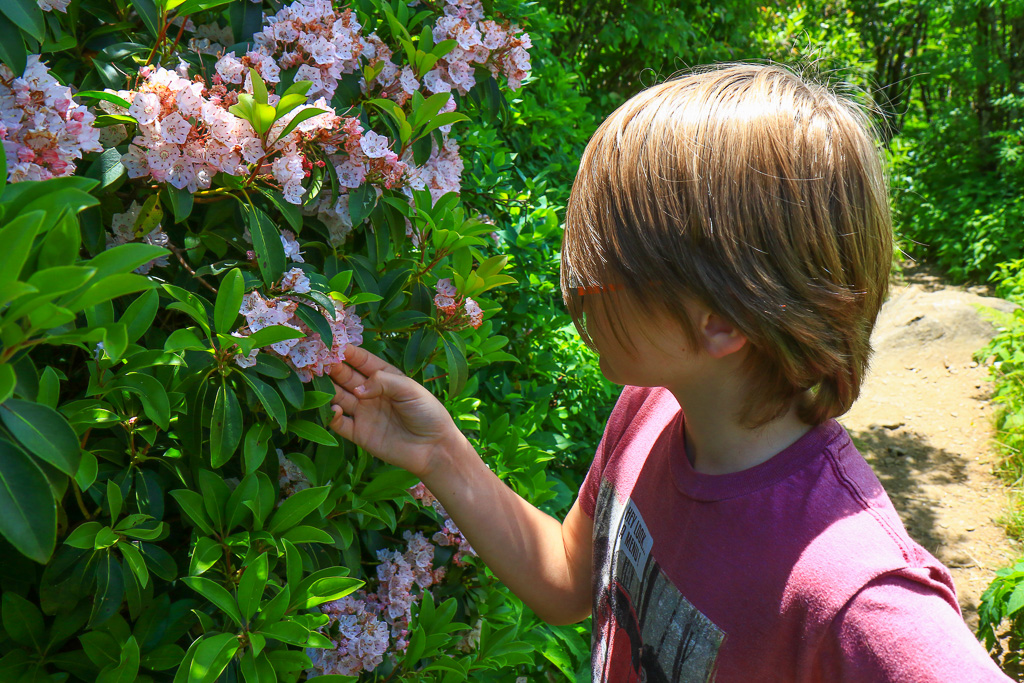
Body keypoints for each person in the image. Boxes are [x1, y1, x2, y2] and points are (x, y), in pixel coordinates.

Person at [327, 63, 1011, 681]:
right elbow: (570, 576)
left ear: (721, 319)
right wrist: (439, 451)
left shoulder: (853, 590)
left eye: (600, 275)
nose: (578, 292)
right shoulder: (651, 409)